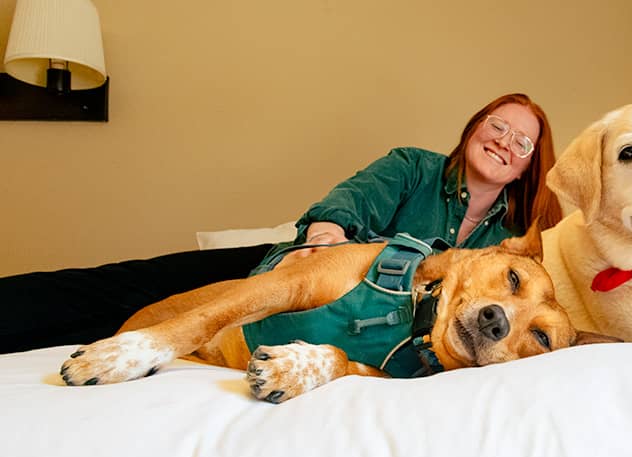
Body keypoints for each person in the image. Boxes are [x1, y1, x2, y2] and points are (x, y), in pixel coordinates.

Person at [0, 93, 561, 354]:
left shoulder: (504, 247)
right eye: (496, 124)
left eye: (521, 141)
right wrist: (321, 242)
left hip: (354, 338)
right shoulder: (414, 167)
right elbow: (347, 205)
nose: (503, 142)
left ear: (529, 164)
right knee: (114, 291)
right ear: (472, 128)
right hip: (294, 272)